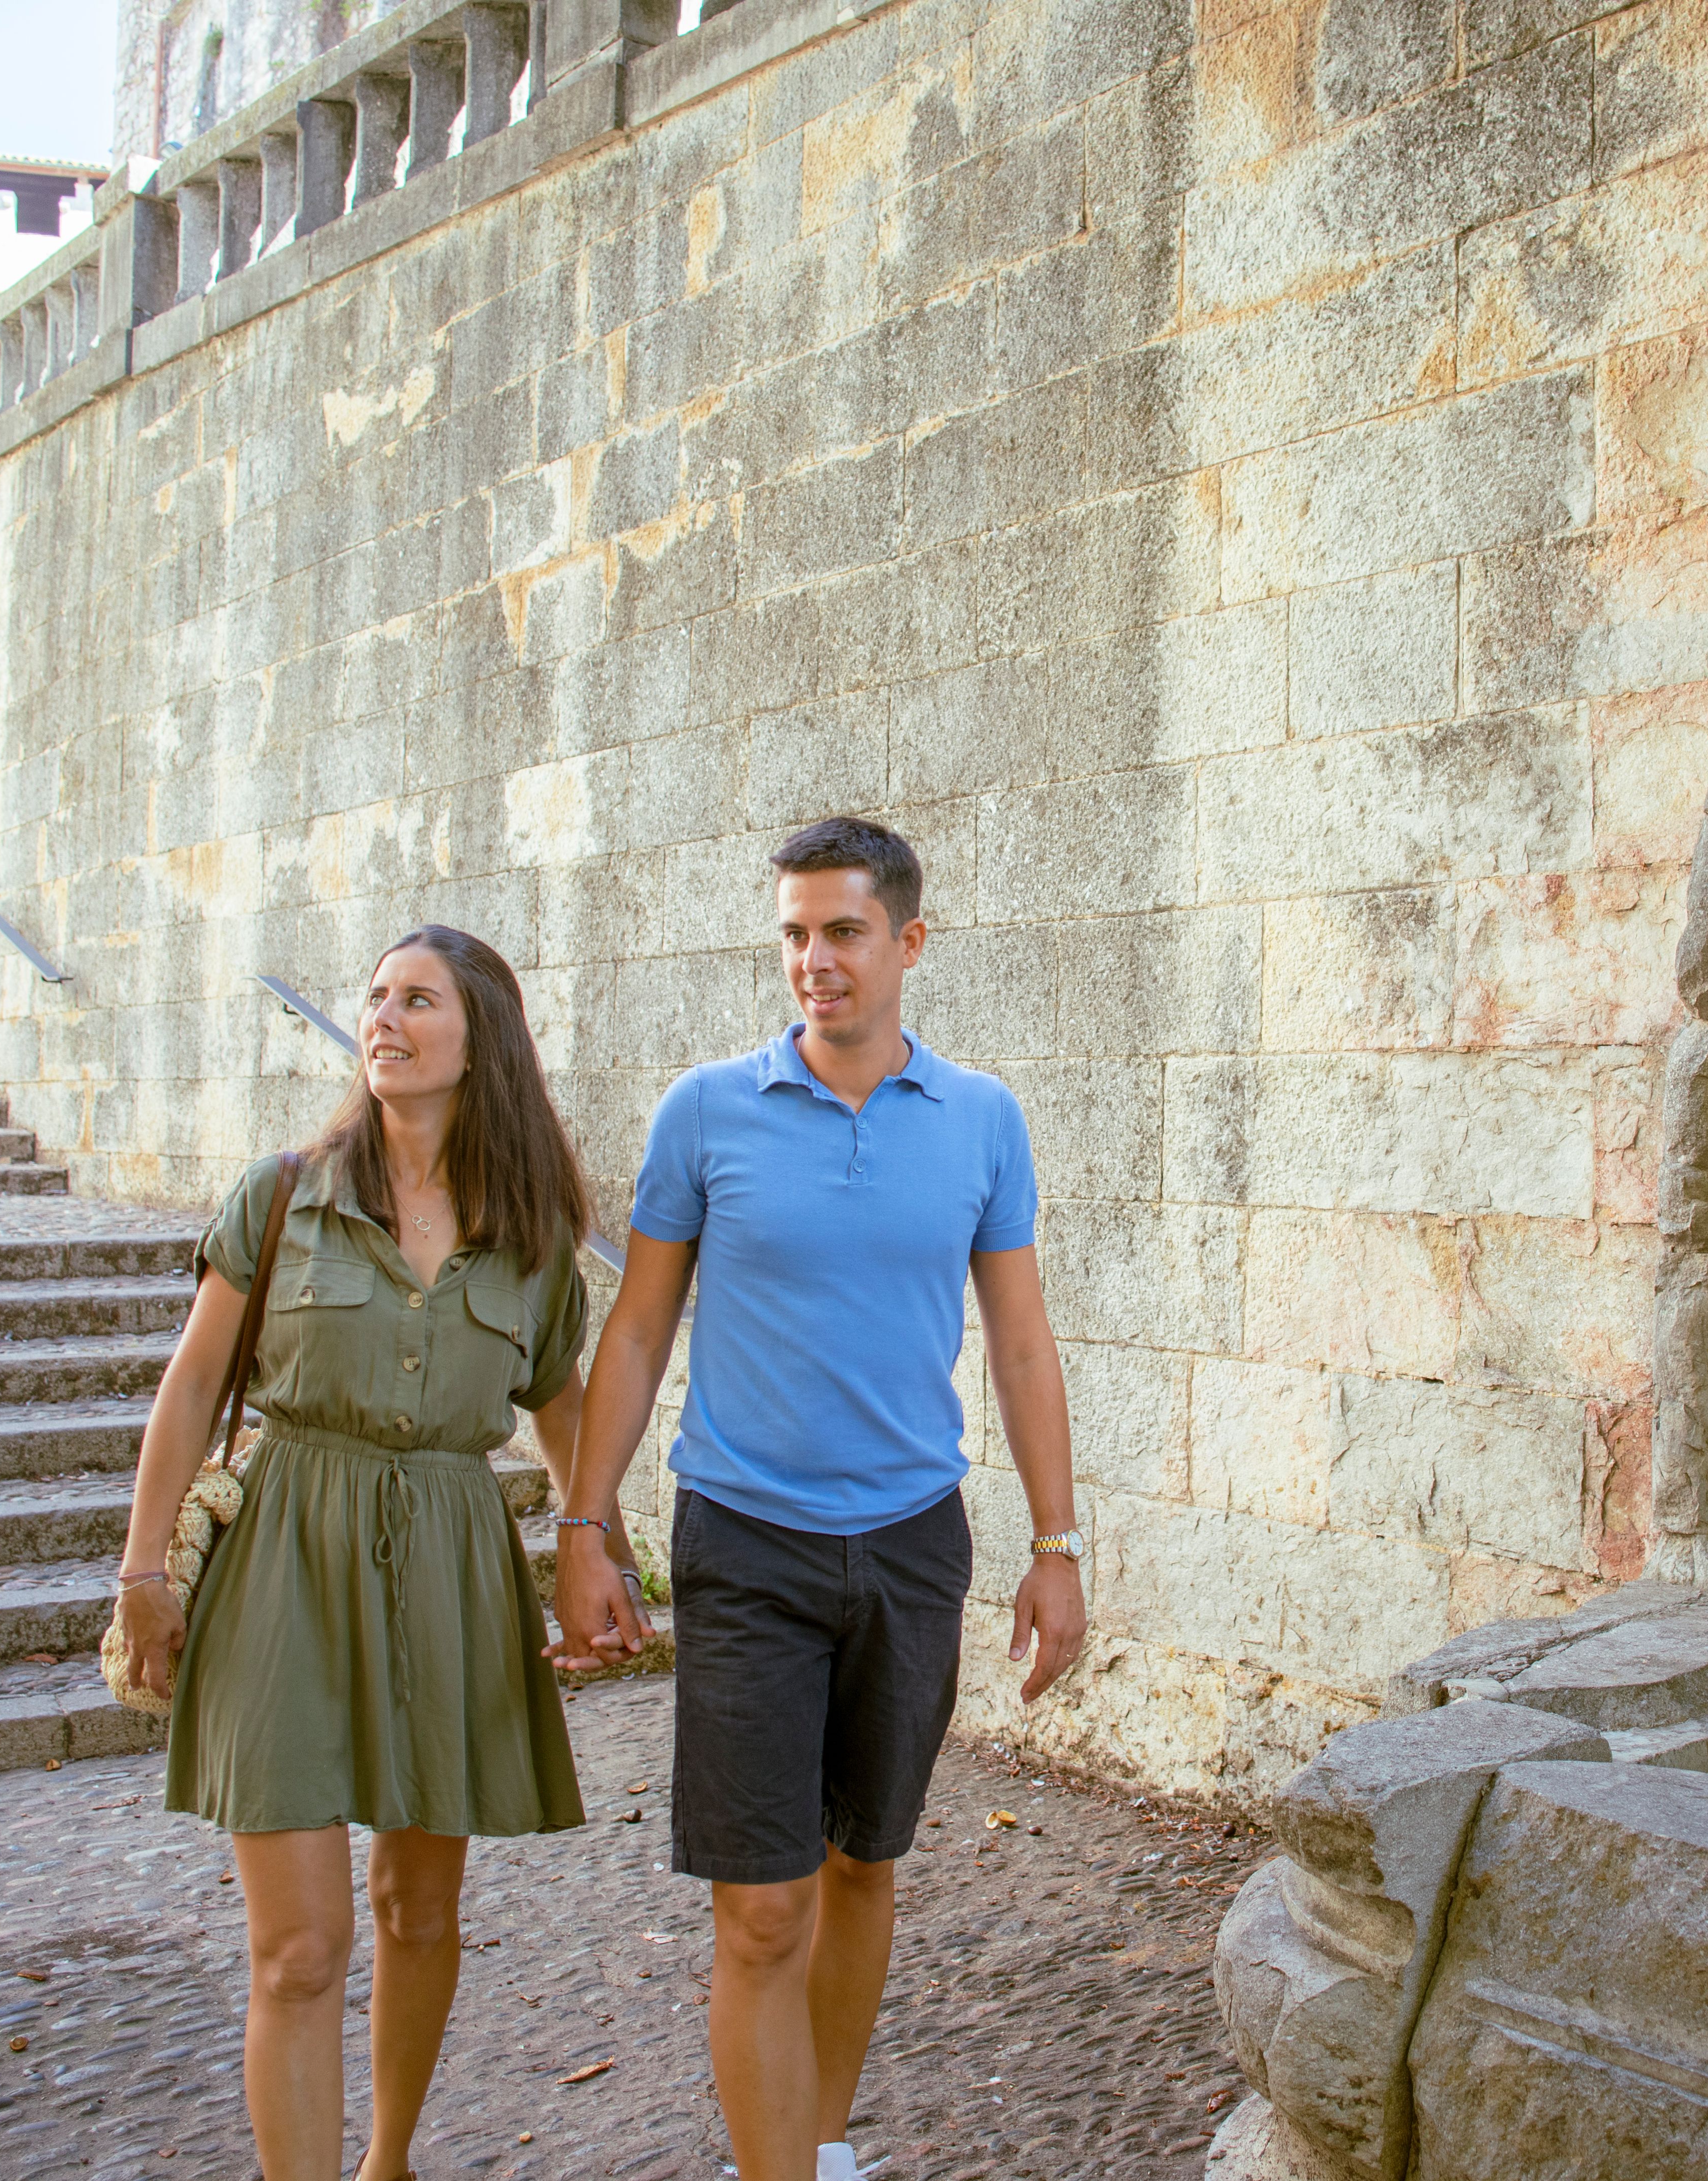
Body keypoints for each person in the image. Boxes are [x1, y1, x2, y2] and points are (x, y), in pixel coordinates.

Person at [553, 816, 1087, 2181]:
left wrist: (1058, 1542)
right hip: (746, 1540)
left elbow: (1022, 1344)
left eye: (843, 932)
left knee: (864, 1865)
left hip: (914, 1543)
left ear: (908, 943)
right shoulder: (707, 1114)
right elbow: (636, 1332)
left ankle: (826, 2148)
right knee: (763, 1911)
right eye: (795, 934)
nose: (815, 961)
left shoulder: (981, 1121)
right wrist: (586, 1523)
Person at [115, 925, 599, 2181]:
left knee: (419, 1910)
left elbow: (562, 1413)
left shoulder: (536, 1240)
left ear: (478, 1036)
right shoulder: (287, 1196)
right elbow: (190, 1386)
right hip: (284, 1557)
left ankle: (389, 2162)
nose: (384, 1017)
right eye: (376, 997)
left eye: (418, 1000)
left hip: (451, 1564)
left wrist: (590, 1546)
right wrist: (143, 1572)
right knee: (301, 1947)